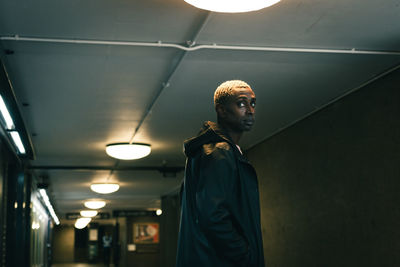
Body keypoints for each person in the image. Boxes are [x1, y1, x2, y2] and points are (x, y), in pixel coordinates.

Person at [176, 80, 265, 267]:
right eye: (241, 103)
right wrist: (244, 255)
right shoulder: (218, 152)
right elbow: (212, 216)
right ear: (221, 110)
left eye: (253, 103)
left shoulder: (222, 151)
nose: (250, 110)